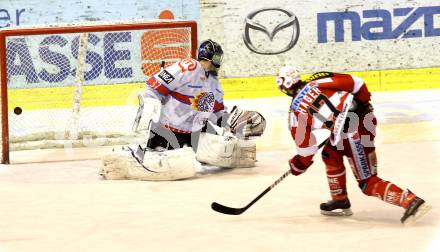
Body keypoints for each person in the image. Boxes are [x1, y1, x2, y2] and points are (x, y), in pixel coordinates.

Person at [275, 66, 431, 225]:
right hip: (366, 121)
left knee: (368, 183)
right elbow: (357, 83)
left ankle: (410, 201)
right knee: (330, 154)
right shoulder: (319, 80)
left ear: (282, 87)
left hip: (351, 135)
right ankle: (340, 200)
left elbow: (306, 151)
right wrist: (365, 104)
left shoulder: (295, 112)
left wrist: (298, 165)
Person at [100, 40, 266, 181]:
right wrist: (151, 106)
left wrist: (235, 124)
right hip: (167, 131)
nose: (218, 61)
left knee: (221, 155)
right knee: (165, 166)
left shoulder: (215, 83)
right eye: (216, 57)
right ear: (206, 56)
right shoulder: (188, 67)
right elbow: (154, 84)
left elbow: (217, 114)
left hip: (196, 133)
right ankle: (119, 160)